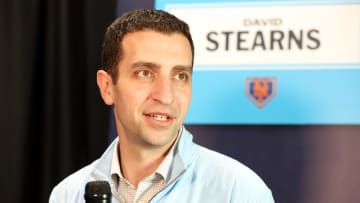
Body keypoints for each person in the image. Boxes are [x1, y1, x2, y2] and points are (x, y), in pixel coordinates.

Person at [49, 8, 274, 203]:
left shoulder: (239, 191)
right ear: (107, 87)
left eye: (180, 76)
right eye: (145, 73)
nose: (166, 96)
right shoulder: (69, 194)